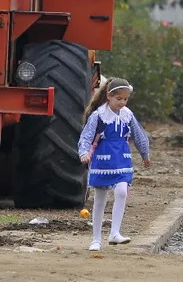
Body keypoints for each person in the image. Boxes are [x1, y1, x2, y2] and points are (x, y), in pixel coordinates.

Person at [77, 77, 151, 252]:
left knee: (122, 191)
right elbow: (86, 136)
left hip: (122, 159)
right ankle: (96, 239)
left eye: (125, 99)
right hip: (103, 160)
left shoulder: (127, 115)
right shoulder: (98, 115)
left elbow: (139, 135)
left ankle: (115, 232)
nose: (122, 102)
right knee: (100, 199)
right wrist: (84, 153)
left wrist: (145, 154)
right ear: (109, 96)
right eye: (119, 99)